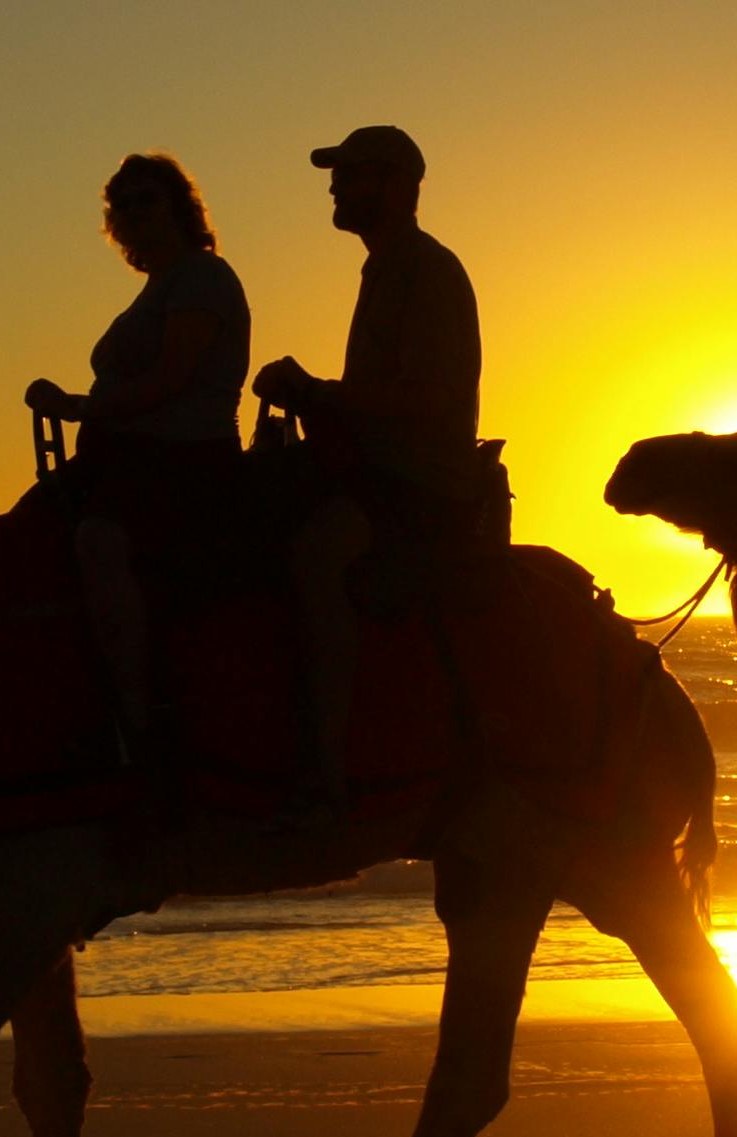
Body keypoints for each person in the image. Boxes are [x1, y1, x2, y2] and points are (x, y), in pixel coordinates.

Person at [252, 125, 483, 810]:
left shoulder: (427, 270)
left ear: (400, 188)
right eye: (338, 175)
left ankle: (327, 756)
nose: (335, 186)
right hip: (381, 472)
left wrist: (317, 393)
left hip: (418, 485)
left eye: (352, 175)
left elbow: (427, 400)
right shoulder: (387, 267)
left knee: (318, 558)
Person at [24, 153, 250, 745]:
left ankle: (138, 714)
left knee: (100, 541)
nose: (131, 212)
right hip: (127, 461)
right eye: (121, 205)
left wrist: (79, 406)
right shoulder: (159, 289)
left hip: (185, 461)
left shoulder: (202, 277)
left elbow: (172, 377)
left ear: (179, 208)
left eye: (146, 199)